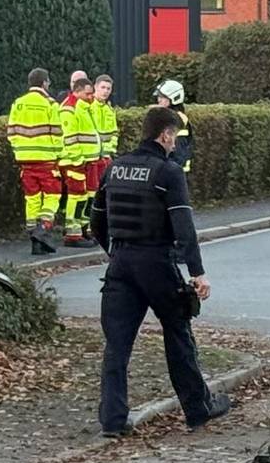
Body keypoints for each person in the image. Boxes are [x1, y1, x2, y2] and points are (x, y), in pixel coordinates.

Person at [87, 105, 229, 436]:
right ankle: (198, 409)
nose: (176, 144)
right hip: (156, 263)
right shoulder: (168, 172)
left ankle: (112, 421)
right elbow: (184, 227)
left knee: (116, 346)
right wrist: (197, 273)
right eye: (175, 137)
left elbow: (96, 221)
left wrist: (115, 254)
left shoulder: (115, 168)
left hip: (121, 265)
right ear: (164, 135)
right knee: (178, 334)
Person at [5, 68, 65, 253]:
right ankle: (43, 229)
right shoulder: (50, 104)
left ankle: (35, 241)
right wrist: (58, 154)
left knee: (32, 198)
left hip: (25, 160)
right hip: (46, 160)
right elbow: (57, 133)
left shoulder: (18, 103)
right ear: (44, 83)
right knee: (52, 196)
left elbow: (11, 132)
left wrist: (20, 150)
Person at [57, 70, 98, 244]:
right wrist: (78, 159)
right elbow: (70, 137)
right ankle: (72, 234)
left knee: (86, 196)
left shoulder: (83, 106)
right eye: (88, 93)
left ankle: (82, 229)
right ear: (78, 91)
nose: (91, 97)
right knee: (76, 196)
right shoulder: (69, 108)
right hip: (74, 161)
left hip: (87, 160)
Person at [84, 74, 119, 209]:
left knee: (105, 189)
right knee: (90, 190)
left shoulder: (109, 110)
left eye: (108, 89)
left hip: (105, 158)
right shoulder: (88, 106)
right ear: (95, 87)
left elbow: (114, 133)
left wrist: (110, 150)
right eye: (103, 87)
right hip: (91, 157)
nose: (105, 91)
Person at [153, 78, 193, 173]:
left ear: (174, 98)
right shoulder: (165, 116)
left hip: (175, 172)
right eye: (159, 96)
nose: (159, 100)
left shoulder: (178, 119)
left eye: (163, 97)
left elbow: (179, 149)